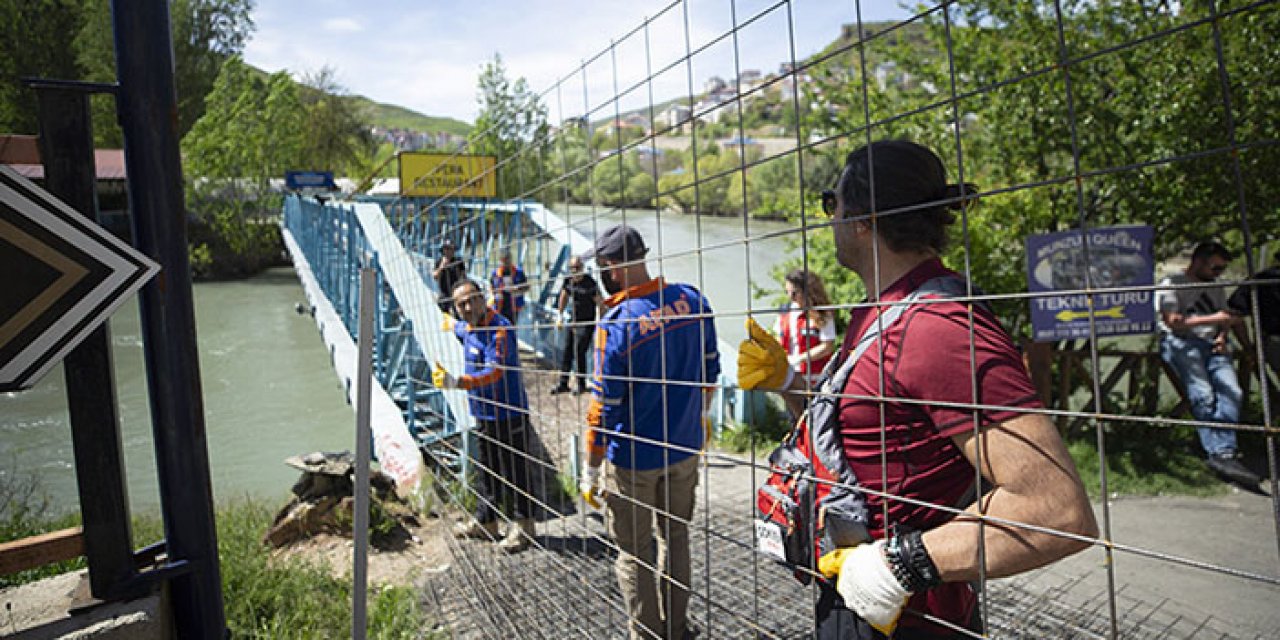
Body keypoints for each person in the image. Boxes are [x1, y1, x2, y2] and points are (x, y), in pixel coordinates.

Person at [738, 140, 1097, 639]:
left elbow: (1056, 509)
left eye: (831, 203)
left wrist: (900, 565)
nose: (829, 218)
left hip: (911, 613)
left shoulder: (936, 328)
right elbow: (869, 431)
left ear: (862, 219)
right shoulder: (885, 308)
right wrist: (789, 385)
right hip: (863, 593)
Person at [577, 224, 721, 640]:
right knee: (676, 537)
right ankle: (677, 629)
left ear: (610, 268)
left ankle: (647, 634)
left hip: (633, 461)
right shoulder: (693, 300)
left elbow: (603, 410)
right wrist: (694, 420)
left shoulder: (617, 324)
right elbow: (709, 372)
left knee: (633, 551)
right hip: (685, 447)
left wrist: (590, 468)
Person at [434, 279, 536, 553]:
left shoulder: (499, 329)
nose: (468, 307)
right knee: (487, 469)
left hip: (509, 413)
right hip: (483, 413)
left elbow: (496, 372)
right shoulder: (467, 327)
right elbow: (457, 327)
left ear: (483, 298)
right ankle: (486, 521)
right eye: (461, 304)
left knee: (515, 470)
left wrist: (458, 382)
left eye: (472, 299)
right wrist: (442, 318)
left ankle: (523, 526)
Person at [1155, 241, 1260, 487]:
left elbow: (1229, 319)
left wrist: (1225, 336)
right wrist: (1216, 318)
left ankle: (1222, 451)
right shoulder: (1172, 284)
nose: (1218, 274)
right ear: (1199, 261)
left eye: (1222, 270)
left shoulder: (1216, 288)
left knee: (1232, 391)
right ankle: (1221, 452)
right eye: (1215, 268)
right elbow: (1173, 321)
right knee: (1203, 393)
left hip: (1212, 344)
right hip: (1182, 343)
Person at [773, 269, 838, 388]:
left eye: (794, 293)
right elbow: (778, 341)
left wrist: (798, 359)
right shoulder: (784, 312)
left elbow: (827, 347)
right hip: (791, 378)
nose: (790, 297)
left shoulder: (822, 313)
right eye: (787, 292)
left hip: (817, 380)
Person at [551, 255, 604, 395]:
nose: (575, 271)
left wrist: (602, 322)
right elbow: (564, 295)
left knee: (580, 351)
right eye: (572, 268)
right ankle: (563, 383)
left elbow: (600, 303)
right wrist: (560, 315)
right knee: (567, 350)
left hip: (587, 322)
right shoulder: (568, 280)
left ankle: (581, 384)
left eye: (577, 268)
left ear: (582, 268)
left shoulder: (590, 283)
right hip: (573, 321)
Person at [1228, 248, 1280, 379]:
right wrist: (1248, 348)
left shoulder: (1260, 279)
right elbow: (1235, 313)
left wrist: (1247, 346)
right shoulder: (1262, 280)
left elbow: (1235, 312)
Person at [490, 249, 529, 324]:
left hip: (514, 308)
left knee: (512, 327)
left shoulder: (519, 272)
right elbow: (491, 286)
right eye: (504, 261)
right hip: (500, 307)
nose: (506, 264)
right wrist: (493, 296)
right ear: (500, 261)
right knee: (501, 327)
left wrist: (518, 289)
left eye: (508, 260)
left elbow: (527, 287)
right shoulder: (495, 274)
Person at [432, 239, 466, 315]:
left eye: (451, 249)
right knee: (444, 315)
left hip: (456, 293)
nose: (449, 251)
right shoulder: (439, 262)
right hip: (444, 295)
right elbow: (435, 276)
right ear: (443, 250)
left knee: (459, 314)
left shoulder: (458, 261)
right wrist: (442, 266)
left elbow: (464, 276)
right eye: (447, 249)